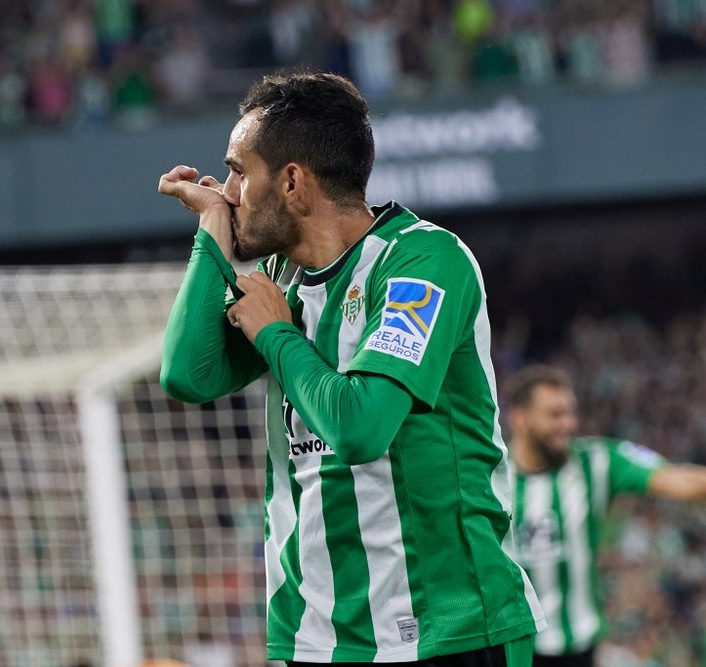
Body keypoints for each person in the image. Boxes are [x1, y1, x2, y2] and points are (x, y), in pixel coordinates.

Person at [157, 70, 544, 666]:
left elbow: (362, 429)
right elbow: (188, 375)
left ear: (291, 182)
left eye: (238, 172)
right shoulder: (280, 281)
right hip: (319, 634)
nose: (227, 189)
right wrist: (212, 230)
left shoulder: (423, 262)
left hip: (452, 628)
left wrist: (274, 333)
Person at [504, 364, 706, 666]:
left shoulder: (596, 461)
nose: (569, 424)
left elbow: (682, 481)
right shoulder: (489, 477)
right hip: (514, 648)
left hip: (580, 647)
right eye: (555, 414)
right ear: (519, 418)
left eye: (571, 412)